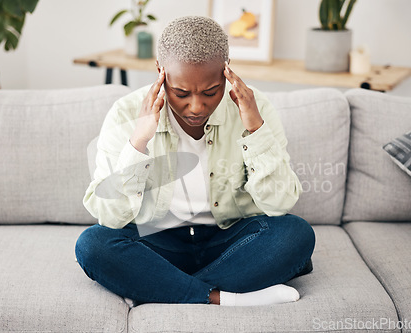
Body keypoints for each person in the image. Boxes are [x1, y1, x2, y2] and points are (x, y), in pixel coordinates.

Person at [75, 16, 315, 306]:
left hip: (228, 239)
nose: (196, 107)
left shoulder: (256, 108)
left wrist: (256, 130)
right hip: (158, 239)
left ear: (227, 69)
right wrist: (139, 141)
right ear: (160, 71)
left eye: (210, 92)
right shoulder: (126, 113)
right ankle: (227, 297)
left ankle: (155, 286)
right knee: (93, 245)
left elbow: (279, 204)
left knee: (296, 235)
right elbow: (110, 218)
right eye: (181, 93)